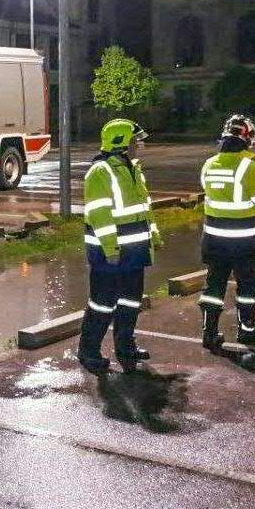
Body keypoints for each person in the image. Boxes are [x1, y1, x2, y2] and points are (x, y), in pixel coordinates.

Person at [78, 118, 162, 374]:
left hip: (134, 253)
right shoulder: (100, 172)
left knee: (130, 302)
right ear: (122, 144)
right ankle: (88, 350)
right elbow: (99, 215)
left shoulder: (132, 169)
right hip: (109, 255)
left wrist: (153, 236)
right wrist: (112, 250)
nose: (140, 145)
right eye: (136, 140)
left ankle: (125, 347)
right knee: (102, 304)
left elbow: (144, 209)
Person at [199, 114, 255, 352]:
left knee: (214, 284)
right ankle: (247, 330)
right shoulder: (249, 167)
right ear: (247, 139)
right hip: (243, 241)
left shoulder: (209, 164)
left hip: (213, 239)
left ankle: (209, 333)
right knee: (248, 284)